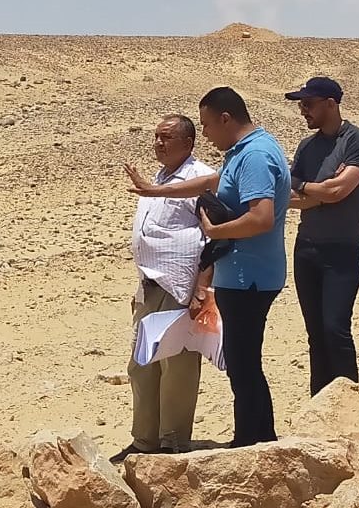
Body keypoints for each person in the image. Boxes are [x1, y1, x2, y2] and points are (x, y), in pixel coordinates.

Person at [123, 87, 290, 448]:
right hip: (239, 275)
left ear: (225, 119)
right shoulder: (242, 152)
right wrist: (153, 191)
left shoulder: (256, 155)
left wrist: (215, 232)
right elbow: (212, 183)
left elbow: (261, 218)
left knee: (243, 365)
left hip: (249, 277)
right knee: (243, 365)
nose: (207, 135)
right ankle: (255, 439)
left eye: (207, 125)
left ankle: (253, 442)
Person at [110, 115, 216, 463]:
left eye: (166, 137)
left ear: (188, 142)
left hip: (181, 286)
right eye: (156, 136)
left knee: (176, 364)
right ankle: (145, 440)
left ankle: (173, 441)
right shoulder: (159, 177)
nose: (158, 143)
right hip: (150, 284)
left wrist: (202, 288)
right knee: (142, 363)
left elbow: (213, 237)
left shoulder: (200, 178)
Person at [284, 77, 359, 396]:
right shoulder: (307, 147)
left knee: (335, 329)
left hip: (342, 250)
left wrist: (310, 189)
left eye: (308, 104)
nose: (303, 111)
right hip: (306, 248)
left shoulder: (356, 140)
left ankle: (351, 403)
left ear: (331, 104)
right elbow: (288, 196)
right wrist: (320, 192)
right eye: (301, 105)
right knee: (316, 334)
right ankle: (319, 404)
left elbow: (337, 190)